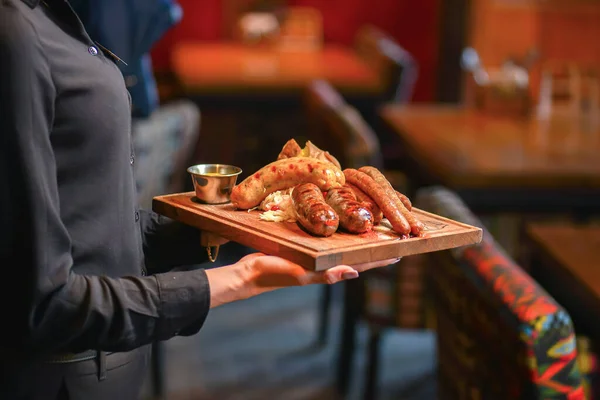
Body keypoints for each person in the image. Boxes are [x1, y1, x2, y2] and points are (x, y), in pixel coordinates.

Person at [0, 1, 400, 399]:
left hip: (112, 371)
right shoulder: (14, 31)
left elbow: (99, 230)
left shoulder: (60, 16)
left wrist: (250, 228)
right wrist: (242, 278)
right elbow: (45, 305)